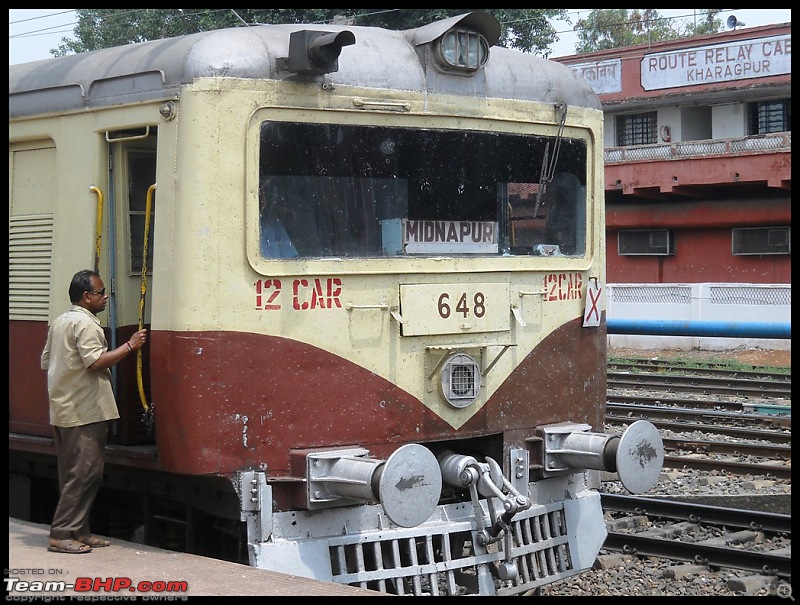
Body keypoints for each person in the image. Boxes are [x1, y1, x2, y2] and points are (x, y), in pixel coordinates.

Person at [40, 269, 147, 554]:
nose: (105, 297)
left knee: (73, 473)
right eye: (101, 293)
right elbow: (95, 362)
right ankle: (61, 534)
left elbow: (46, 361)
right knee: (85, 473)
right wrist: (130, 345)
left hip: (64, 407)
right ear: (87, 297)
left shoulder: (61, 322)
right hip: (84, 410)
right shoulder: (87, 326)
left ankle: (80, 531)